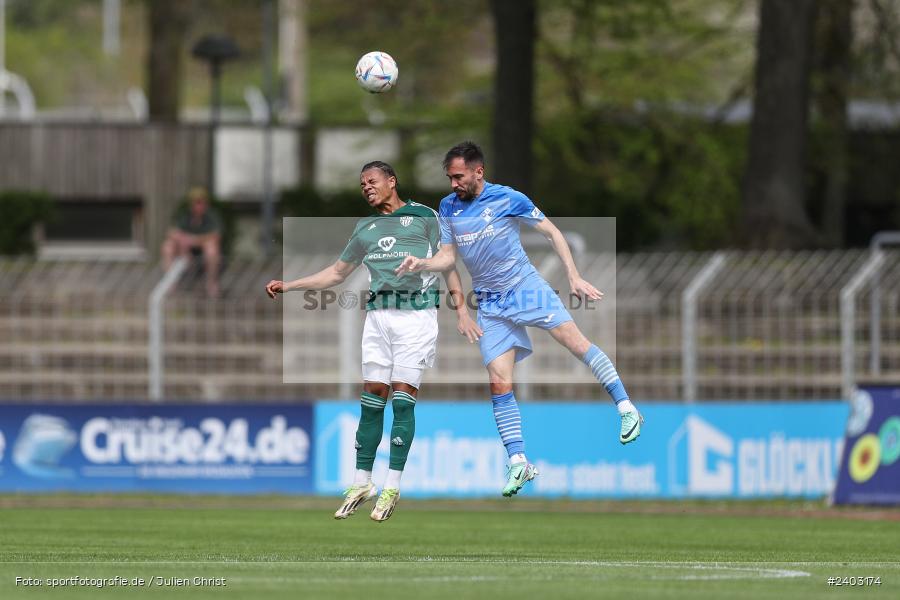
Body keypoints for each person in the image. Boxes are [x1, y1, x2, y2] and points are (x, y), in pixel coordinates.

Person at [396, 141, 642, 497]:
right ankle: (518, 461)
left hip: (525, 288)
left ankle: (626, 406)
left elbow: (552, 232)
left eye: (459, 176)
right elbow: (448, 259)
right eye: (450, 177)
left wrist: (573, 276)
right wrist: (423, 264)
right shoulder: (448, 207)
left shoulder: (508, 198)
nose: (453, 184)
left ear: (478, 172)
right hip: (491, 305)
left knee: (576, 343)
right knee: (498, 382)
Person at [265, 161, 479, 522]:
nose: (366, 187)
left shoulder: (424, 215)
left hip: (416, 318)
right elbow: (336, 273)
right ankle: (362, 481)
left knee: (402, 400)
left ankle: (392, 485)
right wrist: (291, 285)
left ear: (392, 181)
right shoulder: (365, 228)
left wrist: (459, 310)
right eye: (362, 183)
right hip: (377, 319)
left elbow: (447, 262)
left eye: (372, 180)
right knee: (371, 398)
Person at [161, 186, 222, 297]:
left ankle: (211, 283)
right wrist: (183, 239)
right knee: (167, 246)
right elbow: (171, 231)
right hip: (185, 251)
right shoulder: (185, 215)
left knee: (212, 249)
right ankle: (171, 282)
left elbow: (215, 235)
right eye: (196, 202)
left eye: (201, 202)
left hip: (202, 250)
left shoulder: (211, 216)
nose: (198, 206)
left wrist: (194, 240)